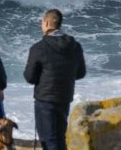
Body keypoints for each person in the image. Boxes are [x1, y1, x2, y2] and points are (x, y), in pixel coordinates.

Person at [24, 9, 86, 150]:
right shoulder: (75, 46)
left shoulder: (38, 48)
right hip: (64, 98)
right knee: (60, 138)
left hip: (45, 100)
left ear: (46, 22)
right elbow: (81, 73)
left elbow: (29, 77)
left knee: (48, 141)